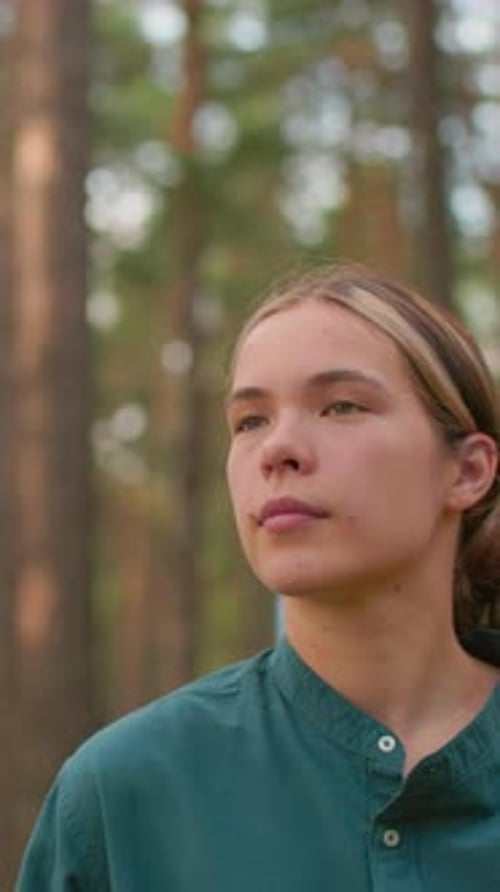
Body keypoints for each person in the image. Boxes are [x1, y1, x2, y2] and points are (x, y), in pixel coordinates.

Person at [16, 264, 500, 891]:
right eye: (250, 420)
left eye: (341, 406)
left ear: (468, 471)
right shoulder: (123, 791)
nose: (278, 449)